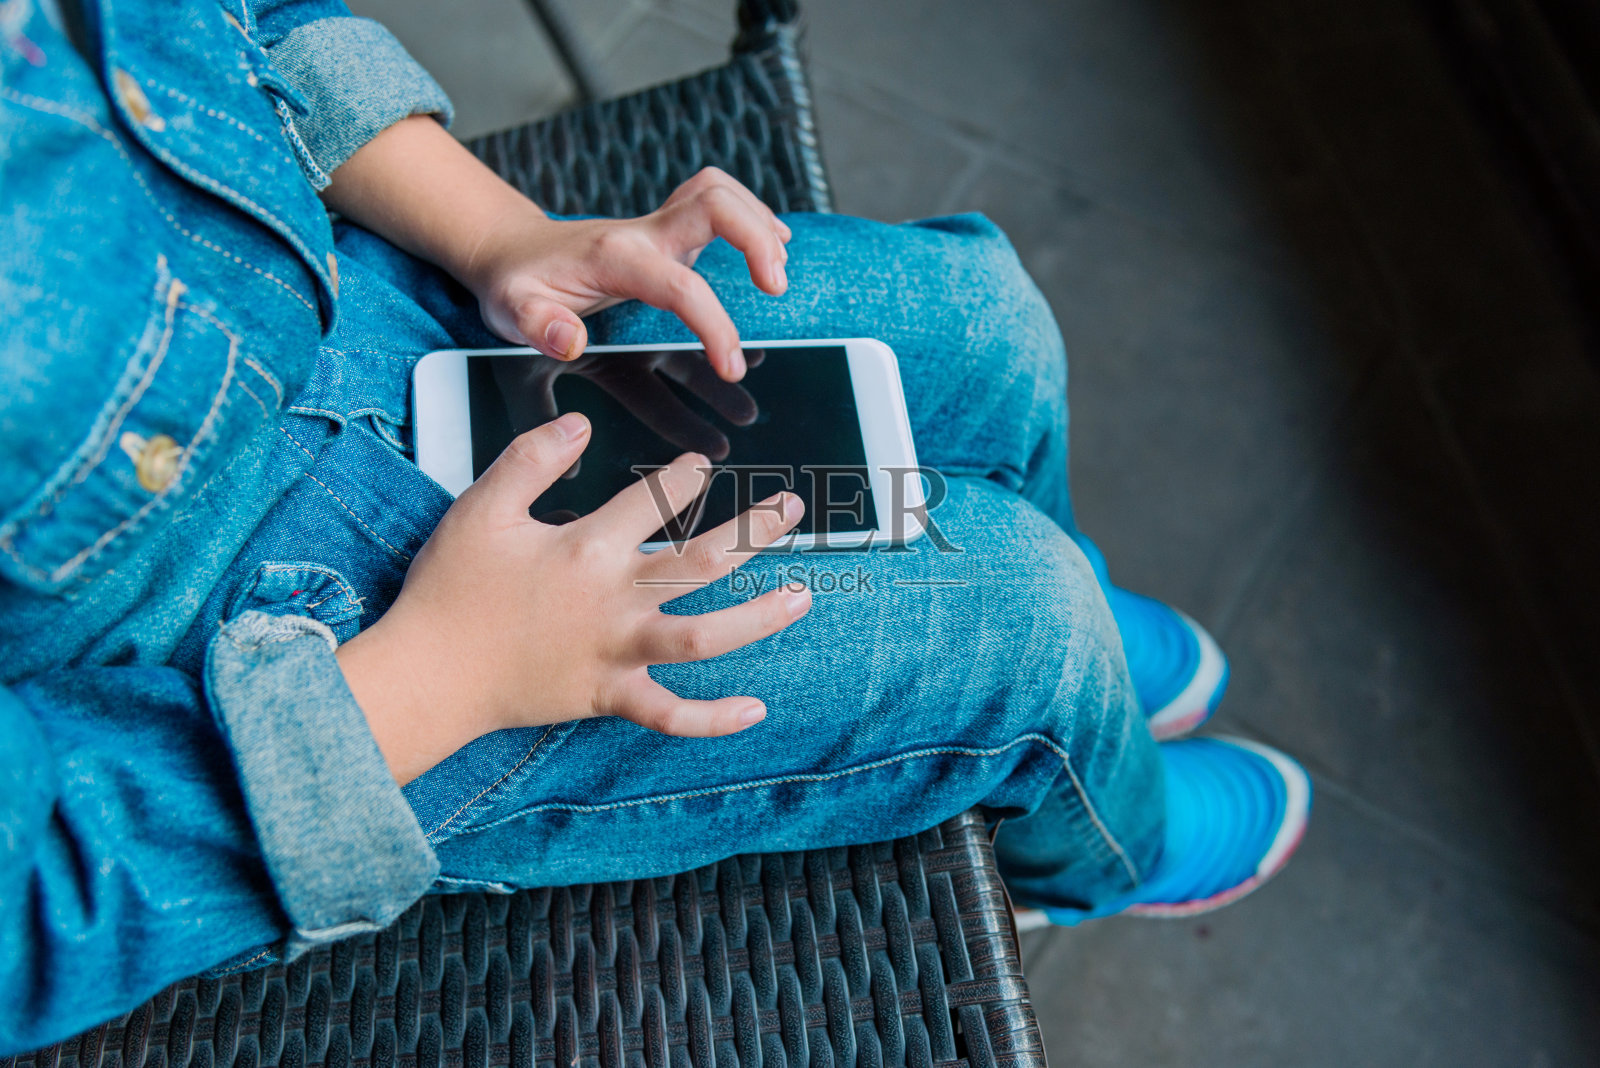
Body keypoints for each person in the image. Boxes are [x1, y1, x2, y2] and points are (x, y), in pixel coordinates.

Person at [0, 0, 1310, 1051]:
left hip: (386, 306)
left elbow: (246, 18)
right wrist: (447, 674)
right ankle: (1096, 832)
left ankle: (1065, 678)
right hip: (300, 673)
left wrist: (505, 233)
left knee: (987, 325)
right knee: (1031, 625)